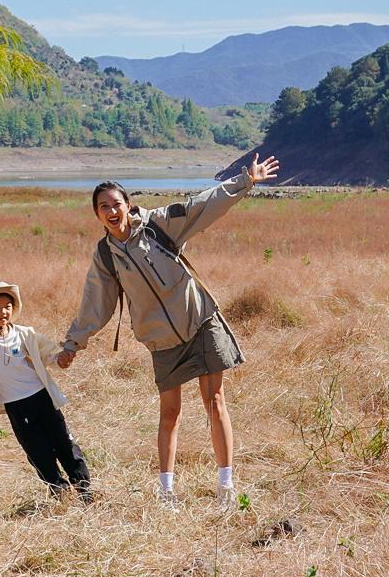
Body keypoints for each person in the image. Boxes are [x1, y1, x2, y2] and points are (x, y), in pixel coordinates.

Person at [56, 153, 280, 507]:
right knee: (169, 413)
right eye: (103, 208)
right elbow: (95, 305)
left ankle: (226, 487)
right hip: (161, 340)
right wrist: (73, 343)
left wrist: (245, 181)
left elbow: (203, 205)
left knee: (214, 401)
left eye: (117, 204)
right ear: (97, 215)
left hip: (200, 322)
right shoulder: (106, 255)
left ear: (129, 205)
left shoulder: (161, 224)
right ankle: (167, 493)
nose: (112, 212)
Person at [0, 281, 92, 501]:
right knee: (37, 451)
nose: (2, 312)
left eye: (7, 306)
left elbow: (49, 353)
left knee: (63, 441)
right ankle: (59, 491)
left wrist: (60, 359)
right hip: (15, 405)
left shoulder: (25, 334)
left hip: (41, 397)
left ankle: (84, 490)